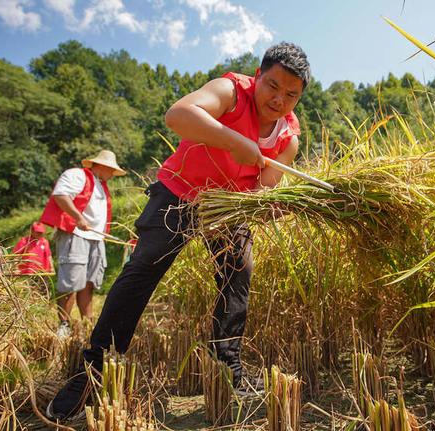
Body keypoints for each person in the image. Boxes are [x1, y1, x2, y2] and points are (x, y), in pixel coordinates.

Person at [46, 42, 310, 421]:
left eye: (291, 95)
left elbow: (261, 191)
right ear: (258, 77)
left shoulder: (289, 138)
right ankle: (93, 371)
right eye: (273, 86)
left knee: (238, 274)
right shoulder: (230, 91)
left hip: (228, 207)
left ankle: (227, 366)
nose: (279, 99)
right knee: (143, 269)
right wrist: (234, 141)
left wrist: (276, 206)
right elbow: (179, 115)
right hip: (180, 192)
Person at [39, 150, 126, 337]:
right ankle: (64, 324)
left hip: (96, 238)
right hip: (74, 234)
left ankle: (87, 324)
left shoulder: (101, 186)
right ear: (103, 166)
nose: (112, 175)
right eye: (111, 170)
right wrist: (78, 217)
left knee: (89, 282)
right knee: (70, 282)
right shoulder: (77, 175)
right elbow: (61, 195)